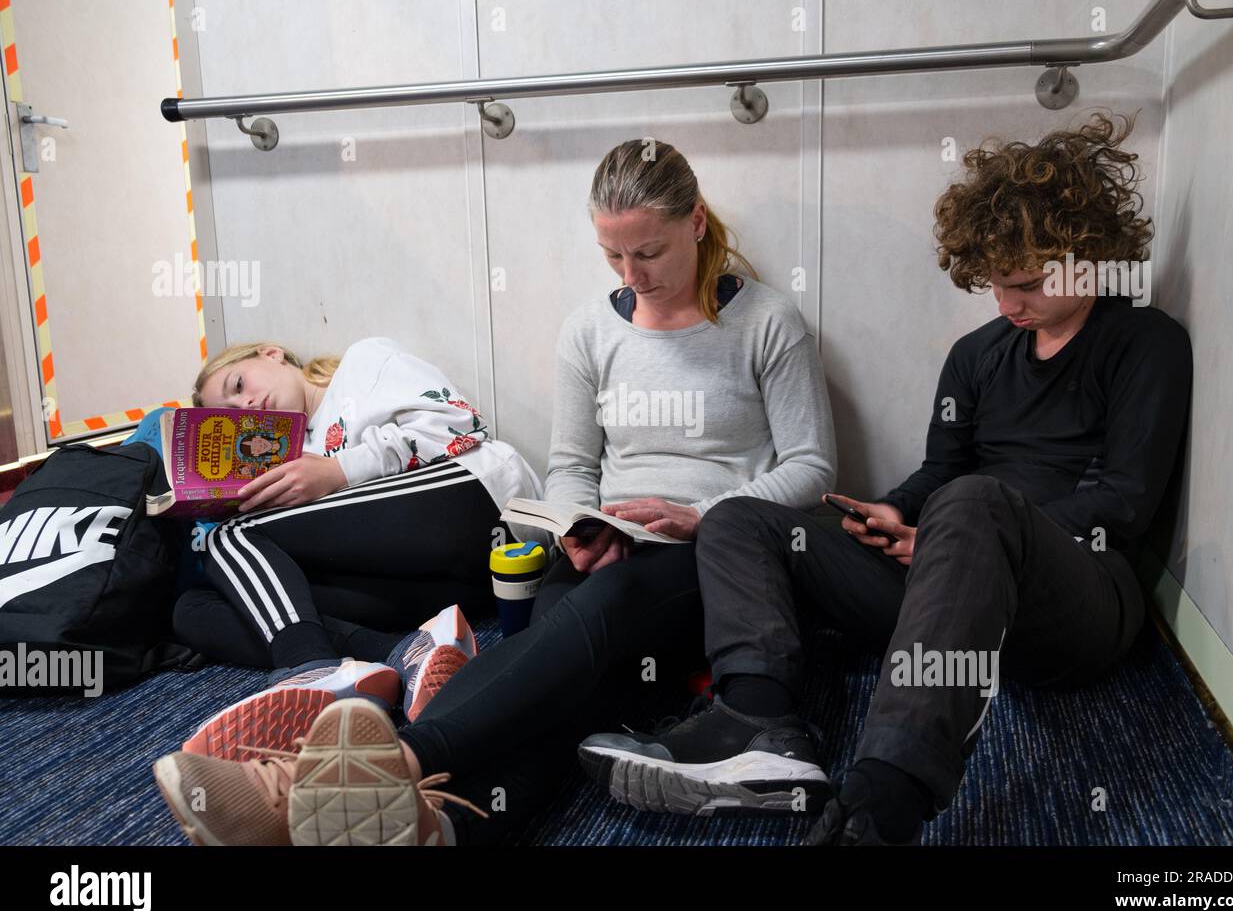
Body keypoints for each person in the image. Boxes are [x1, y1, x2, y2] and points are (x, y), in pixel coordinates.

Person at [150, 137, 837, 846]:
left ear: (695, 223)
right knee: (563, 688)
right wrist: (576, 523)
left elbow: (813, 469)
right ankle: (437, 825)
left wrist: (697, 517)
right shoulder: (591, 331)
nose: (633, 273)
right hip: (606, 547)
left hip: (711, 557)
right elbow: (572, 464)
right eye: (613, 256)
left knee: (582, 633)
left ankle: (335, 775)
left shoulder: (766, 323)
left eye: (649, 252)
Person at [578, 112, 1194, 845]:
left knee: (972, 505)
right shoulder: (977, 354)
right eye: (995, 285)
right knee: (738, 516)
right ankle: (757, 722)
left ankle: (881, 804)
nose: (1007, 305)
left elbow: (1121, 506)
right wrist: (890, 514)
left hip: (1081, 600)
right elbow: (940, 472)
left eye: (1025, 284)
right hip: (955, 572)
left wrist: (944, 531)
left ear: (1088, 255)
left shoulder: (1145, 343)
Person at [162, 337, 545, 760]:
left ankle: (312, 668)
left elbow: (460, 426)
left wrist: (338, 470)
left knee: (230, 536)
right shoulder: (292, 454)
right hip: (437, 585)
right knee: (194, 609)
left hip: (485, 506)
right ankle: (404, 652)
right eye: (231, 413)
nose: (247, 405)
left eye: (239, 385)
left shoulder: (364, 363)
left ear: (271, 354)